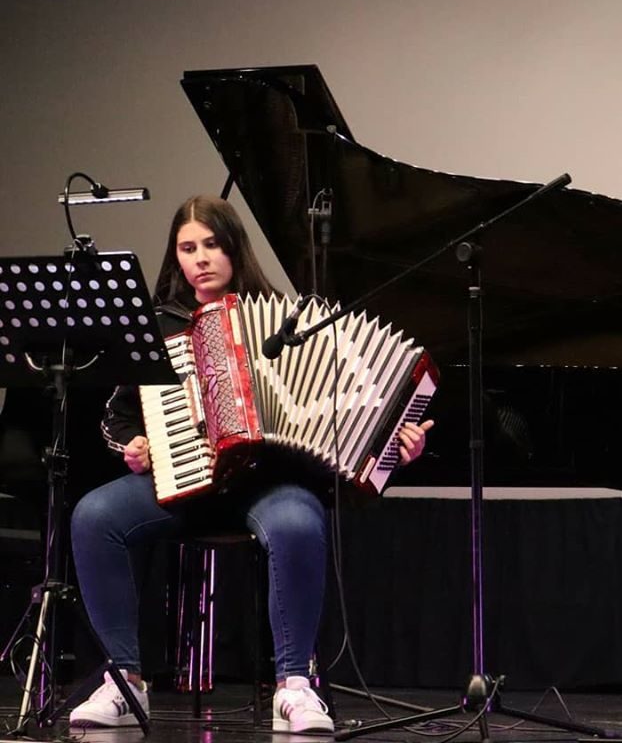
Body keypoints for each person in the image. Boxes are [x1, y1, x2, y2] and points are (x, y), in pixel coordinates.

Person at [68, 195, 433, 731]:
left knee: (298, 522)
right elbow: (117, 416)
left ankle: (294, 687)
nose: (200, 258)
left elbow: (348, 407)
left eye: (211, 244)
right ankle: (125, 683)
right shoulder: (160, 326)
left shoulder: (290, 325)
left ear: (234, 248)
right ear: (176, 257)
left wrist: (395, 442)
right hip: (183, 482)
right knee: (93, 516)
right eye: (187, 248)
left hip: (269, 485)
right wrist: (135, 444)